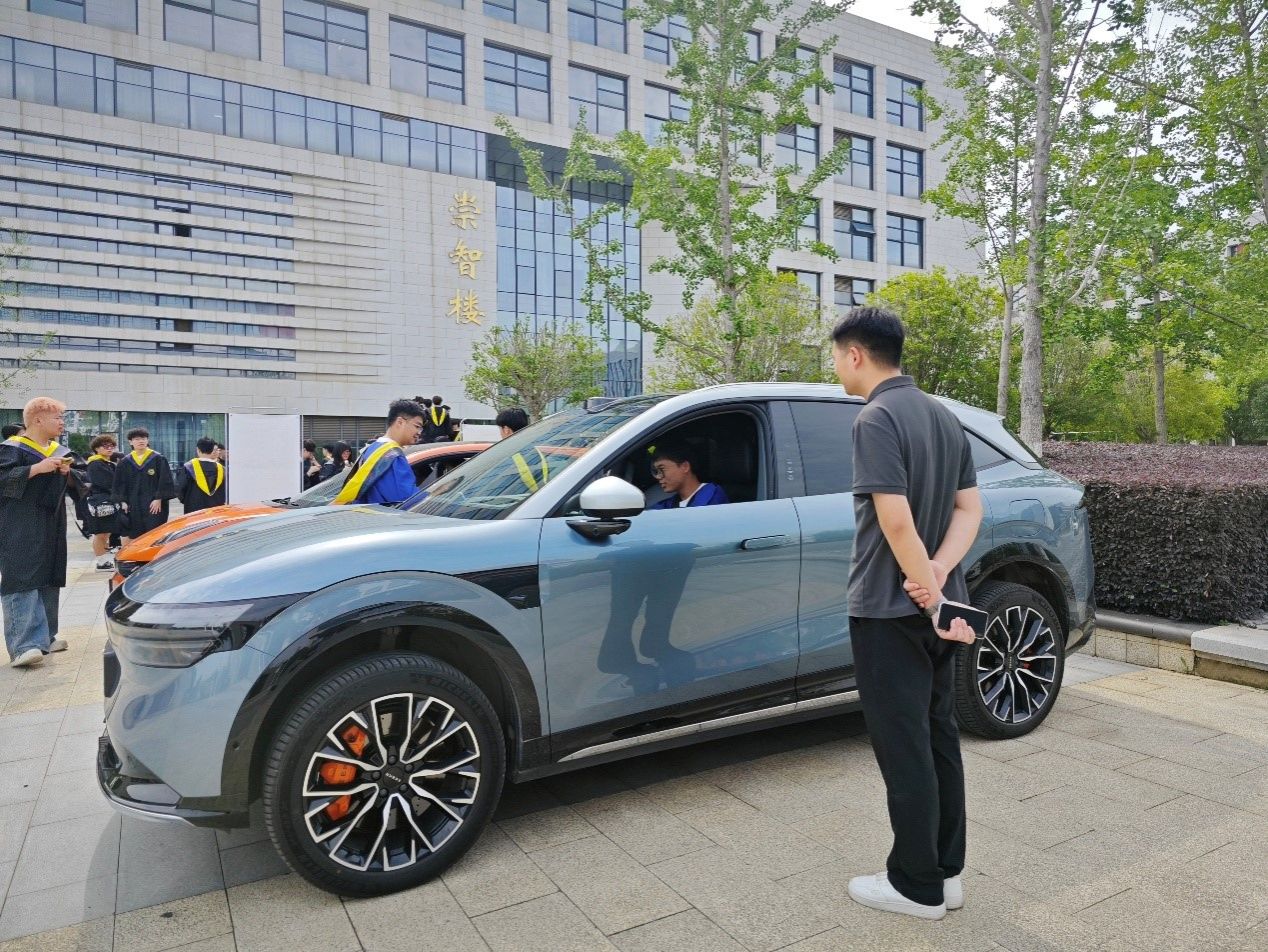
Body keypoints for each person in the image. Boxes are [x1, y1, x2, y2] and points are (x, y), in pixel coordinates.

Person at [830, 307, 982, 922]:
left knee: (904, 747)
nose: (836, 367)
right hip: (935, 607)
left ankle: (915, 885)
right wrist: (940, 574)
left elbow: (895, 521)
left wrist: (930, 594)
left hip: (890, 609)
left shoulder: (876, 417)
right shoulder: (943, 415)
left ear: (855, 354)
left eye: (836, 356)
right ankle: (945, 874)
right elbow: (969, 510)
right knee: (938, 736)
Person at [0, 397, 74, 667]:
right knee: (23, 576)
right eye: (58, 418)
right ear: (38, 420)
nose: (62, 423)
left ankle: (46, 637)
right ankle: (24, 646)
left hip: (50, 524)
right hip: (19, 524)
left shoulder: (57, 451)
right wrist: (34, 469)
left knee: (49, 575)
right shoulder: (10, 449)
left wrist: (64, 472)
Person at [333, 399, 425, 505]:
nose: (419, 433)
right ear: (400, 422)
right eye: (417, 426)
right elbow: (408, 500)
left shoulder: (371, 449)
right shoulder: (393, 455)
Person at [111, 428, 176, 540]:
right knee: (136, 534)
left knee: (155, 533)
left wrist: (159, 498)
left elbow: (165, 480)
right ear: (130, 442)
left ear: (147, 440)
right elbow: (120, 483)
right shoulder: (125, 462)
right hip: (134, 503)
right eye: (137, 439)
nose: (141, 441)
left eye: (143, 438)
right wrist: (122, 501)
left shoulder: (158, 458)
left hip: (154, 503)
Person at [650, 442, 729, 509]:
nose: (658, 477)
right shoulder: (670, 503)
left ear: (685, 467)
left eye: (662, 469)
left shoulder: (711, 496)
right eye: (656, 471)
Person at [85, 434, 121, 569]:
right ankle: (101, 562)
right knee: (101, 533)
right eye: (105, 446)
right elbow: (107, 482)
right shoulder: (95, 463)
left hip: (108, 501)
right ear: (97, 448)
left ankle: (104, 560)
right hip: (101, 501)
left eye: (112, 446)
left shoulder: (107, 463)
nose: (109, 448)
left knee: (106, 532)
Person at [178, 437, 227, 513]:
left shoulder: (188, 467)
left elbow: (181, 489)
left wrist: (188, 501)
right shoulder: (222, 469)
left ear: (198, 450)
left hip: (194, 508)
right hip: (216, 509)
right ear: (212, 450)